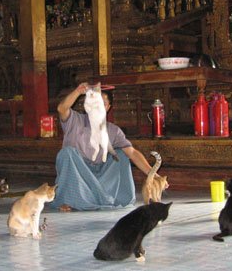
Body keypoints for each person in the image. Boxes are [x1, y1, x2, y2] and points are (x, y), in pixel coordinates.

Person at [52, 82, 157, 212]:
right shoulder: (74, 120)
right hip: (78, 173)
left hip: (101, 175)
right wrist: (77, 91)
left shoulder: (113, 130)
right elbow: (61, 108)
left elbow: (133, 153)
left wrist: (153, 174)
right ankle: (68, 199)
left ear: (107, 107)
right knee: (66, 153)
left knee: (121, 154)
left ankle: (106, 198)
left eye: (102, 103)